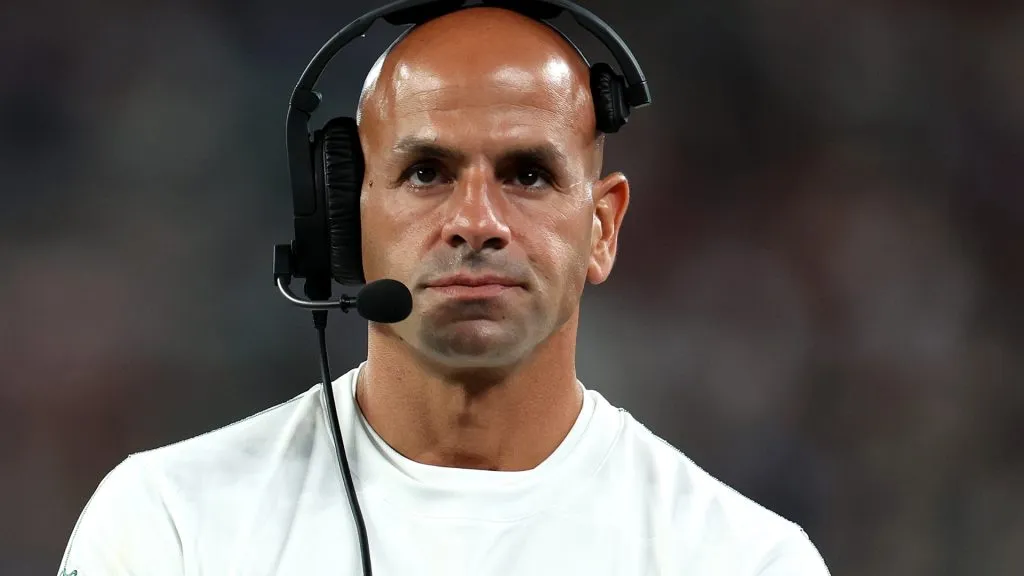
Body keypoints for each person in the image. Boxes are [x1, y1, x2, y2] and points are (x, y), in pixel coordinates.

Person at [57, 6, 830, 575]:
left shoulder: (744, 558)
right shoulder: (167, 527)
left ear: (602, 228)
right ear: (344, 215)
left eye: (527, 174)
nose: (476, 221)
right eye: (427, 172)